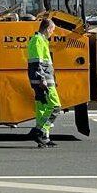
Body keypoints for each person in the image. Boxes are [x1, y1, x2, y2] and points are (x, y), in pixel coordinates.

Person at [26, 17, 61, 148]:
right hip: (43, 80)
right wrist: (42, 80)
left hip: (43, 79)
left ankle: (44, 138)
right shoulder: (38, 41)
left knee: (42, 109)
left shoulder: (41, 41)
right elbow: (37, 63)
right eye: (52, 30)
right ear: (47, 29)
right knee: (55, 107)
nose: (53, 32)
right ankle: (39, 131)